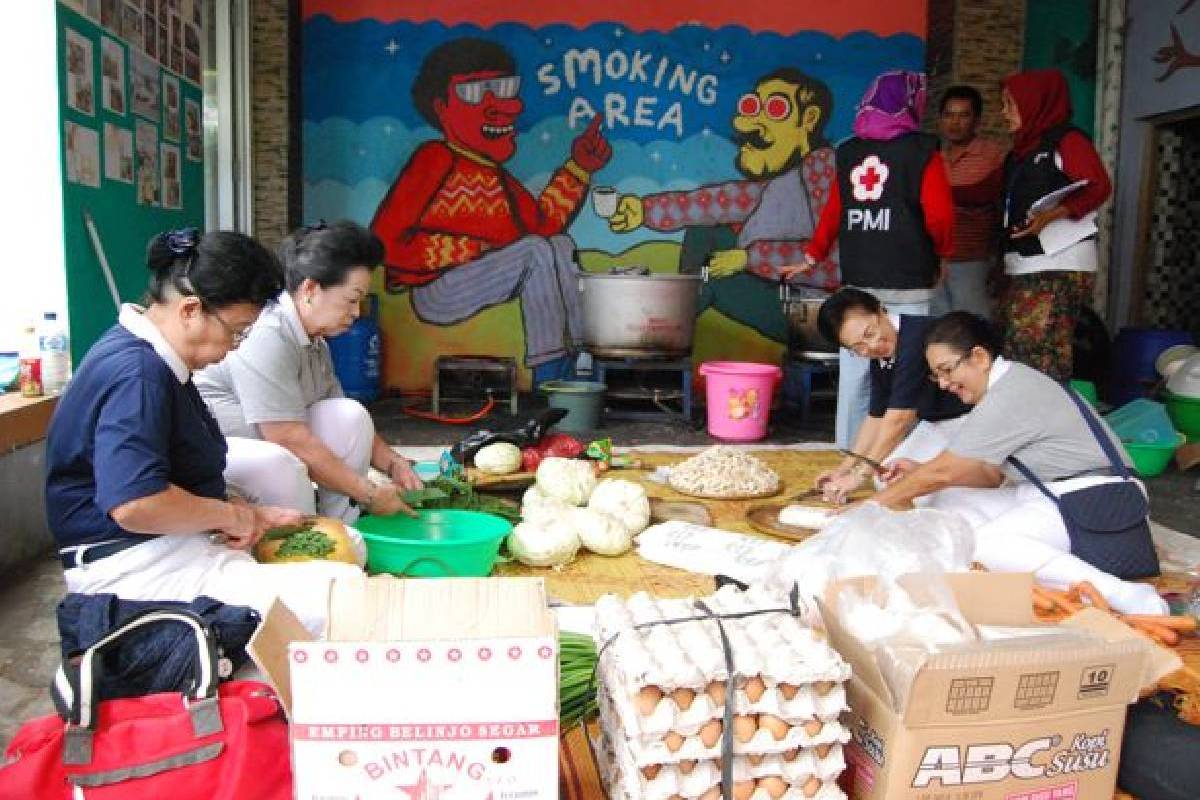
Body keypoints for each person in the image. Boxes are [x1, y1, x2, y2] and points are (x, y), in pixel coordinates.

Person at [44, 229, 362, 636]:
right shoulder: (139, 376)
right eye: (236, 331)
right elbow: (135, 503)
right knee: (343, 595)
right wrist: (231, 515)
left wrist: (247, 514)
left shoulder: (157, 361)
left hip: (165, 547)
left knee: (350, 546)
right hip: (131, 568)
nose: (235, 346)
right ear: (191, 310)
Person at [866, 312, 1166, 614]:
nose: (943, 384)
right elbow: (990, 476)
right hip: (1049, 492)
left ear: (980, 357)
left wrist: (868, 508)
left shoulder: (1011, 391)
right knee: (950, 505)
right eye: (936, 376)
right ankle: (1038, 562)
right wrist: (917, 472)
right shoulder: (1003, 386)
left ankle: (1125, 595)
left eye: (947, 370)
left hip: (1091, 495)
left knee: (982, 546)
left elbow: (943, 470)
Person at [369, 37, 612, 387]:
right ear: (441, 107)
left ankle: (581, 359)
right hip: (437, 288)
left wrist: (579, 168)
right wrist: (470, 248)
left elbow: (543, 226)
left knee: (557, 244)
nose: (501, 104)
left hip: (480, 278)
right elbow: (386, 240)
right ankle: (550, 375)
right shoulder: (435, 158)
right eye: (473, 92)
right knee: (536, 250)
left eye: (504, 88)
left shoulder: (494, 175)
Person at [196, 221, 422, 524]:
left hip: (272, 444)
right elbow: (288, 438)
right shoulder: (268, 333)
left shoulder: (315, 340)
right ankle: (307, 542)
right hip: (222, 453)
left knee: (349, 415)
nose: (356, 313)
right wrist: (368, 492)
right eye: (352, 300)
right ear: (311, 289)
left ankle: (344, 528)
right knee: (286, 466)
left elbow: (348, 421)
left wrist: (393, 463)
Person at [609, 68, 839, 345]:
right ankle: (664, 334)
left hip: (819, 314)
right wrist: (644, 210)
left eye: (777, 108)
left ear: (809, 119)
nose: (756, 121)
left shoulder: (823, 169)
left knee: (711, 277)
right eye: (753, 107)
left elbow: (835, 264)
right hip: (791, 300)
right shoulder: (787, 180)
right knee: (706, 232)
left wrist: (747, 259)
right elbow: (718, 201)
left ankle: (658, 341)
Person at [796, 70, 955, 448]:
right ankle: (903, 457)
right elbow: (940, 216)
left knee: (857, 372)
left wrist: (813, 254)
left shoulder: (849, 152)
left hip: (860, 281)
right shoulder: (922, 153)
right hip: (910, 275)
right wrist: (943, 255)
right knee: (913, 369)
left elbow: (834, 211)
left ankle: (849, 451)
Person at [998, 68, 1112, 382]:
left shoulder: (1068, 141)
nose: (1004, 113)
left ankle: (1049, 424)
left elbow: (1099, 186)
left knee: (1041, 350)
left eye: (1010, 104)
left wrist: (1051, 215)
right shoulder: (1021, 152)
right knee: (1020, 349)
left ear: (1034, 103)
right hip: (1025, 262)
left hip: (1058, 262)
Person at [811, 288, 969, 503]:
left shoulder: (916, 338)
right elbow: (877, 416)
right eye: (858, 347)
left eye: (869, 333)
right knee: (886, 476)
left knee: (925, 492)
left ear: (881, 311)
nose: (872, 346)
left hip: (970, 420)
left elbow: (899, 420)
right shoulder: (882, 354)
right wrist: (844, 469)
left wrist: (859, 475)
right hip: (935, 424)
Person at [933, 85, 1007, 319]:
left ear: (977, 120)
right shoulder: (935, 158)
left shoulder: (992, 156)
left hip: (973, 259)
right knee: (939, 329)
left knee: (973, 327)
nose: (955, 122)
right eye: (949, 115)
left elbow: (994, 200)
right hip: (934, 261)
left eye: (963, 115)